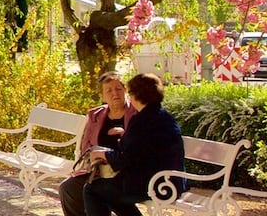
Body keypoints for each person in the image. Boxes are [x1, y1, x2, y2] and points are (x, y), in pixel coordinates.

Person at [82, 73, 186, 216]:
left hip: (155, 185)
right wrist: (125, 137)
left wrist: (102, 153)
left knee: (93, 189)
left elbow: (125, 160)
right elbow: (142, 149)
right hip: (171, 182)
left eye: (129, 92)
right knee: (108, 190)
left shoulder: (141, 121)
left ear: (137, 95)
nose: (129, 97)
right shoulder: (163, 116)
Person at [58, 73, 131, 216]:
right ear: (102, 96)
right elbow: (86, 146)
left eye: (118, 89)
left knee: (98, 190)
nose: (114, 93)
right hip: (98, 169)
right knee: (67, 188)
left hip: (125, 171)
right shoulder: (95, 115)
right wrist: (94, 160)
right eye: (109, 91)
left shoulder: (136, 114)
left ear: (125, 90)